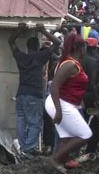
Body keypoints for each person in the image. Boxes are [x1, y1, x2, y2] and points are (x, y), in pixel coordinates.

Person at [10, 23, 62, 155]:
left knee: (21, 120)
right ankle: (29, 148)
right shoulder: (40, 57)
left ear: (27, 47)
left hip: (20, 94)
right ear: (38, 47)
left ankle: (23, 148)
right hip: (34, 95)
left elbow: (10, 41)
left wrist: (19, 30)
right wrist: (43, 31)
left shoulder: (21, 57)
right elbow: (57, 43)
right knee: (35, 123)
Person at [45, 32, 92, 172]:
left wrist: (79, 102)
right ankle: (55, 159)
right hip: (60, 103)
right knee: (86, 134)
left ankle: (59, 164)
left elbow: (71, 85)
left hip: (64, 102)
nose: (86, 51)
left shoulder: (71, 62)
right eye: (85, 47)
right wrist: (59, 111)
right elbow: (54, 86)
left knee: (67, 138)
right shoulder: (70, 64)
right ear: (79, 48)